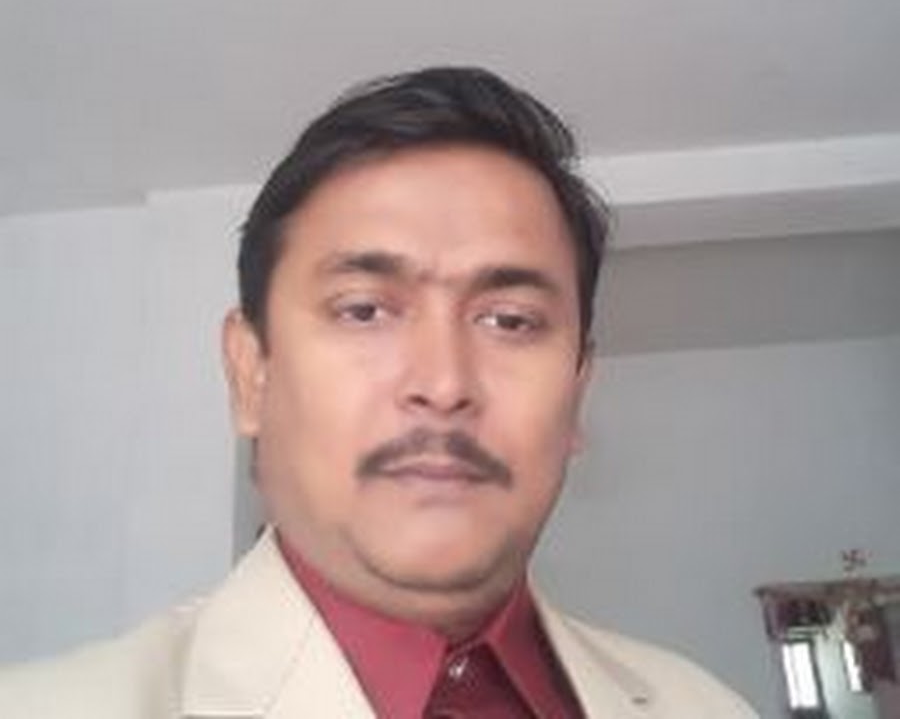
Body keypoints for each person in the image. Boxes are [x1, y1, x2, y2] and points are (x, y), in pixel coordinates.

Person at [0, 67, 758, 717]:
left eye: (510, 320)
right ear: (250, 372)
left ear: (577, 392)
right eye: (363, 311)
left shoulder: (706, 706)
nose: (444, 384)